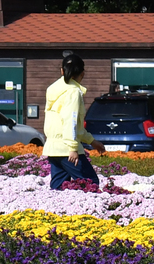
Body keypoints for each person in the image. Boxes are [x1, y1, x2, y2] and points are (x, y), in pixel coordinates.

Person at [42, 51, 106, 189]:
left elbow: (72, 125)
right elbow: (70, 120)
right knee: (91, 183)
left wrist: (92, 142)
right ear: (82, 73)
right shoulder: (73, 92)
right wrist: (72, 148)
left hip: (53, 148)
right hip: (67, 149)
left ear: (61, 71)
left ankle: (55, 210)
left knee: (58, 187)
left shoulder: (52, 89)